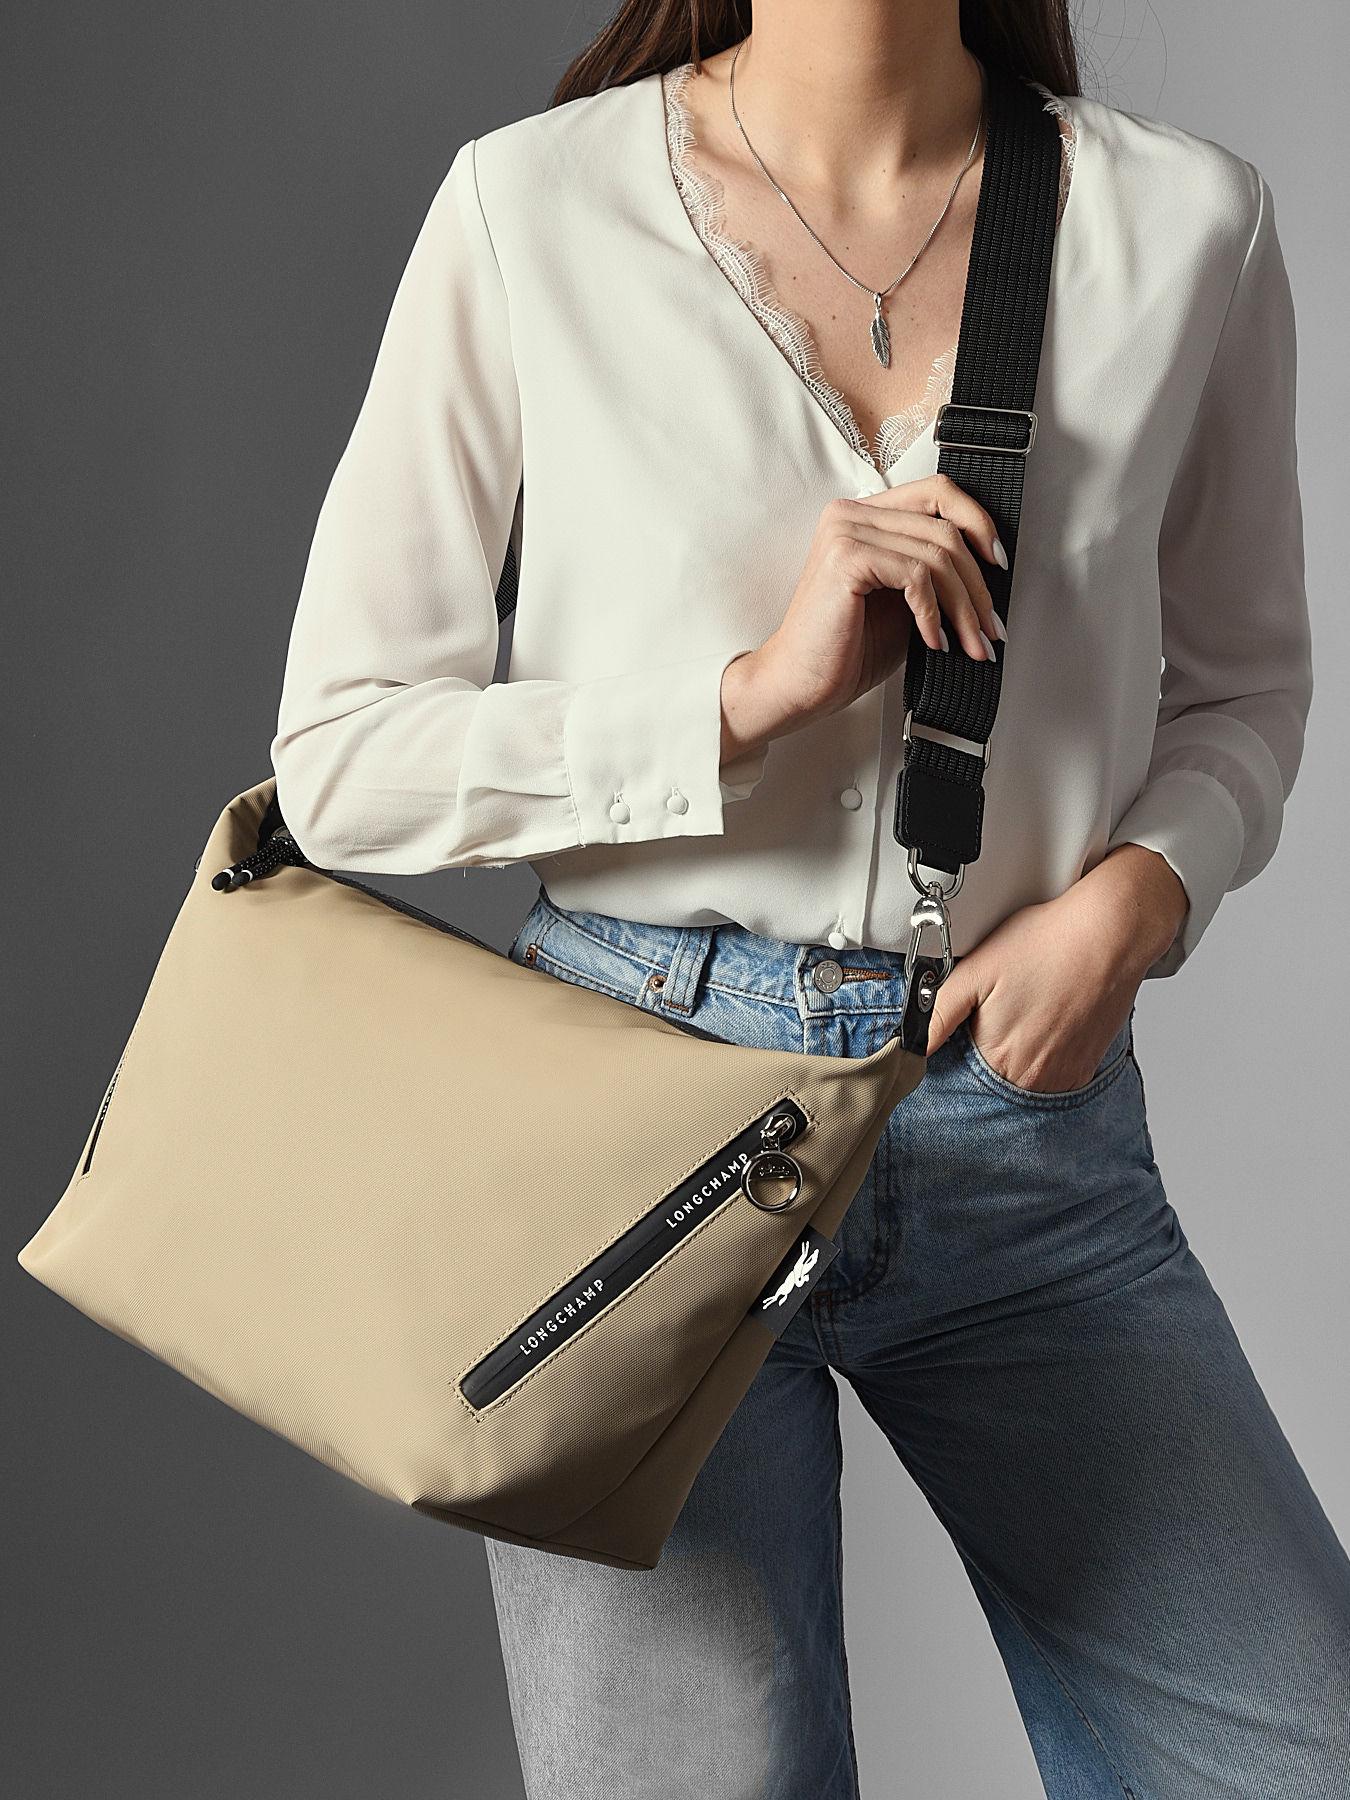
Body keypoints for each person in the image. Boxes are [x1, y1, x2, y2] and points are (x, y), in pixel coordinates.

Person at [269, 2, 1350, 1794]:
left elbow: (1244, 687)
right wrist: (741, 701)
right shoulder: (529, 208)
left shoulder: (1187, 225)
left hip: (1016, 1119)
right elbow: (342, 756)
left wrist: (1144, 890)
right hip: (627, 1143)